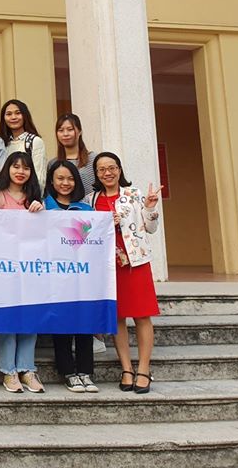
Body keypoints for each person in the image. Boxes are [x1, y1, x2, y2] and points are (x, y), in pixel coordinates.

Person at [86, 152, 162, 394]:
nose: (107, 173)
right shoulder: (91, 199)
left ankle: (144, 369)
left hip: (135, 262)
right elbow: (84, 232)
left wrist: (150, 208)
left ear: (119, 169)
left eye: (112, 167)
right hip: (107, 265)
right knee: (117, 317)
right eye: (101, 169)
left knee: (142, 315)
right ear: (96, 174)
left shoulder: (134, 194)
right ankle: (127, 368)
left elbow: (150, 228)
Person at [0, 151, 45, 394]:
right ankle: (9, 370)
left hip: (31, 267)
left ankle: (27, 368)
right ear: (7, 169)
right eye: (16, 166)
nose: (21, 171)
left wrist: (41, 213)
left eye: (26, 168)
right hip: (3, 267)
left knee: (30, 318)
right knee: (8, 318)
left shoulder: (35, 199)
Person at [44, 159, 98, 394]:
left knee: (84, 322)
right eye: (60, 178)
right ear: (51, 181)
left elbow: (92, 242)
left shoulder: (86, 210)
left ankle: (85, 371)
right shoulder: (43, 207)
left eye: (69, 178)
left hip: (82, 276)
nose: (65, 183)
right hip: (54, 275)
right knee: (62, 323)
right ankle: (68, 371)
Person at [0, 99, 47, 186]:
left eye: (18, 113)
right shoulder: (2, 144)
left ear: (25, 116)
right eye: (9, 114)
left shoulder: (35, 142)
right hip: (5, 196)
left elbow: (39, 178)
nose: (13, 117)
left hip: (27, 197)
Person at [51, 113, 98, 196]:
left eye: (70, 129)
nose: (65, 134)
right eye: (61, 130)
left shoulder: (94, 159)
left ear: (80, 131)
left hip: (90, 208)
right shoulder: (53, 163)